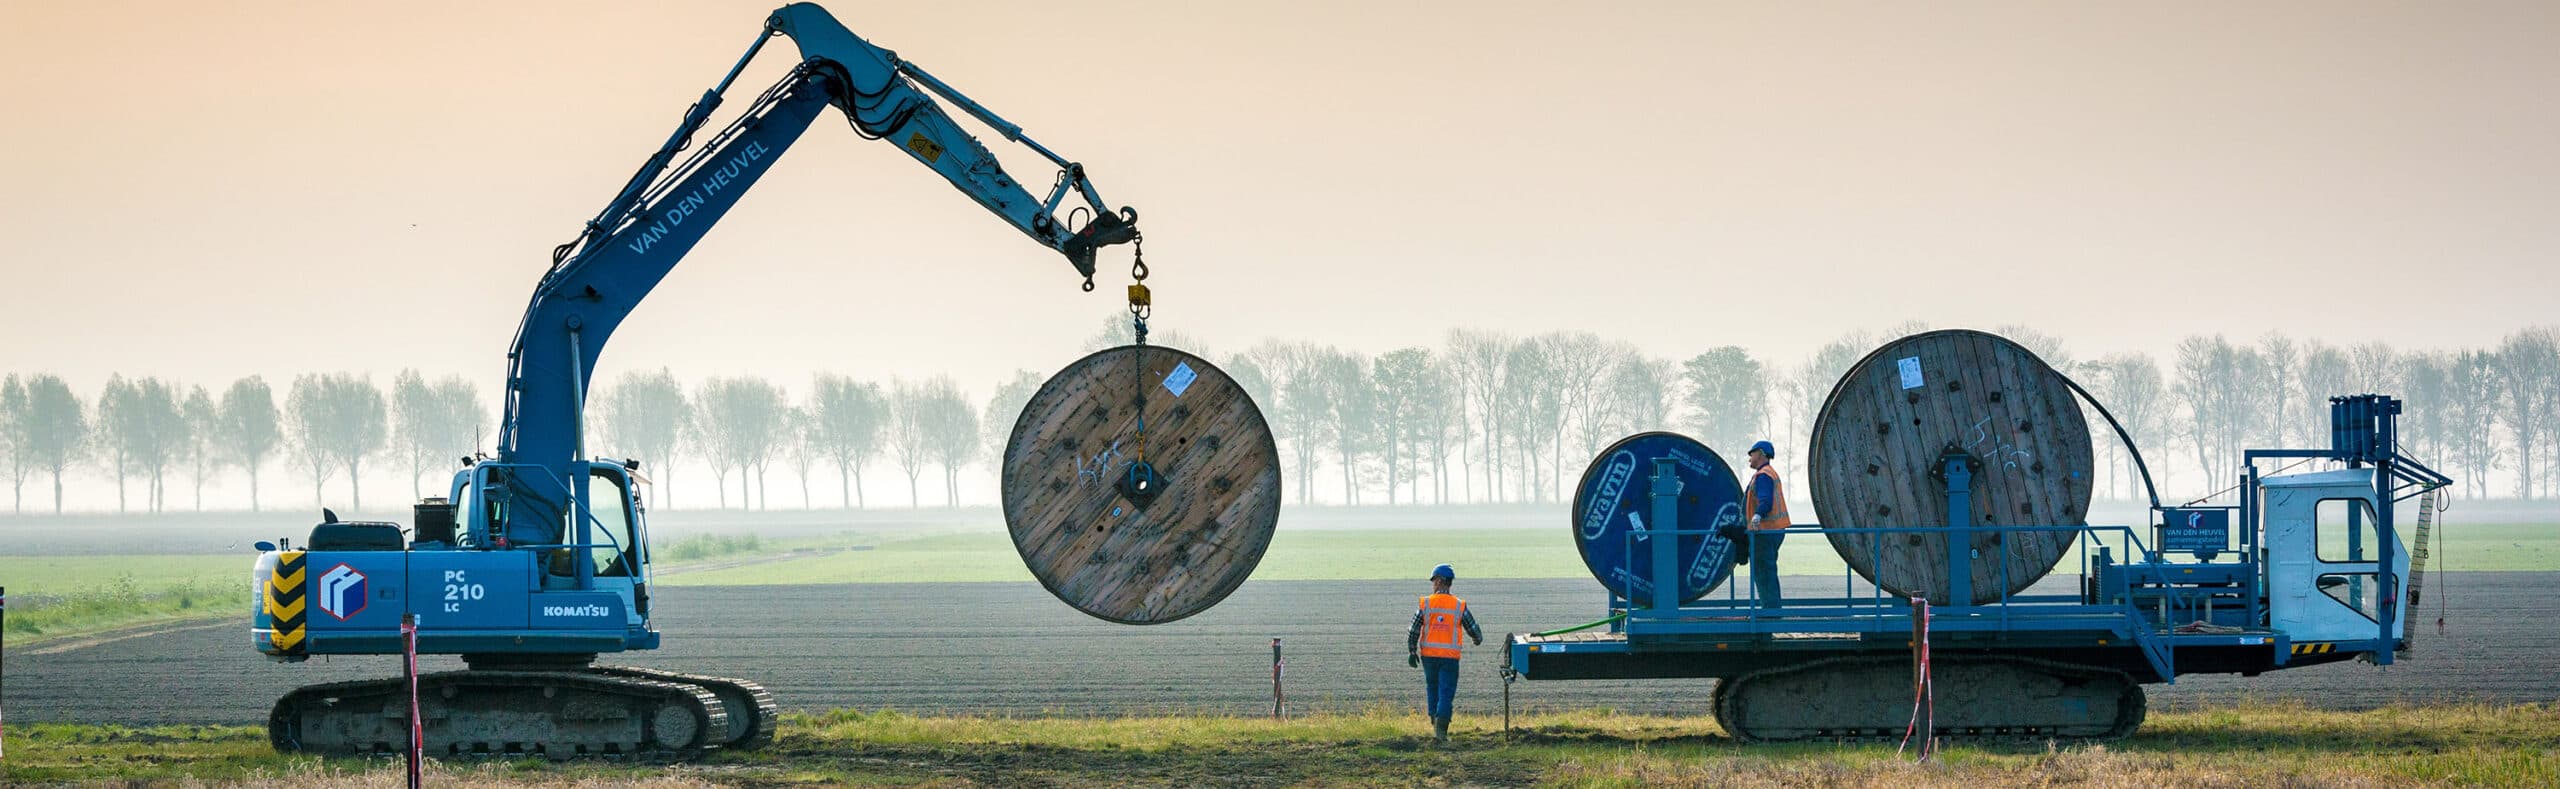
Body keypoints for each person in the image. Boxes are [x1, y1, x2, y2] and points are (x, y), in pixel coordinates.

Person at [1407, 563, 1482, 742]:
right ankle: (1441, 732)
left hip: (1429, 657)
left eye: (1434, 581)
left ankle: (1435, 724)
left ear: (1440, 581)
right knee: (1446, 692)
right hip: (1449, 659)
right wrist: (1477, 639)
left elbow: (1413, 629)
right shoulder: (1458, 605)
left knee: (1432, 688)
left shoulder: (1426, 603)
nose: (1433, 584)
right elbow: (1473, 628)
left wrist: (1412, 650)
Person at [1742, 440, 1792, 607]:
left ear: (1761, 454)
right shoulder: (1768, 473)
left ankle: (1771, 611)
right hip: (1773, 530)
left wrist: (1757, 516)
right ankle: (1772, 609)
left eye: (1752, 454)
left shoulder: (1763, 475)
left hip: (1765, 532)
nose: (1749, 458)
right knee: (1767, 571)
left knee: (1764, 572)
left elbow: (1766, 502)